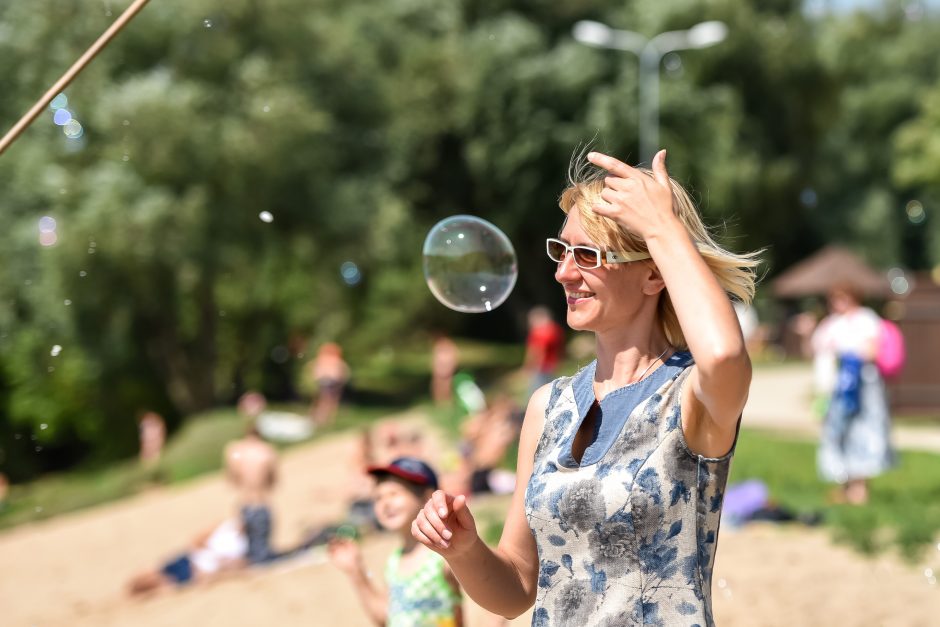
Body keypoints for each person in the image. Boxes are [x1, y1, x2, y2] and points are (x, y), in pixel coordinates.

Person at [410, 148, 760, 625]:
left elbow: (722, 353)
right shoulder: (546, 406)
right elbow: (516, 589)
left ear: (655, 271)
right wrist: (465, 549)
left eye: (589, 255)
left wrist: (661, 227)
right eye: (562, 250)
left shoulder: (689, 395)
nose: (564, 272)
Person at [329, 457, 464, 627]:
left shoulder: (443, 556)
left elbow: (490, 580)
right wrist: (355, 571)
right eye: (378, 498)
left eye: (394, 494)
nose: (385, 503)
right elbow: (386, 617)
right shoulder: (394, 563)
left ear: (427, 496)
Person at [811, 285, 894, 505]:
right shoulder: (831, 323)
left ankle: (859, 488)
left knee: (862, 433)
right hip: (835, 390)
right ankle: (844, 486)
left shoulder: (866, 319)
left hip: (861, 388)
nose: (838, 303)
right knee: (837, 433)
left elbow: (873, 351)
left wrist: (846, 353)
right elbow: (816, 350)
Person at [127, 517, 248, 596]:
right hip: (204, 562)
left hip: (201, 557)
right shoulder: (170, 580)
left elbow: (191, 547)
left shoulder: (165, 567)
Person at [224, 421, 279, 564]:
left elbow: (231, 476)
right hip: (260, 503)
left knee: (247, 552)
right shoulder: (266, 451)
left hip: (244, 503)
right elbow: (273, 480)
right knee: (263, 555)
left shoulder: (235, 450)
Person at [522, 306, 565, 395]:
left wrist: (529, 367)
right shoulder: (556, 329)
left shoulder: (539, 332)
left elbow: (537, 351)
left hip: (541, 368)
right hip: (553, 366)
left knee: (536, 394)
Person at [308, 342, 350, 426]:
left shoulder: (326, 360)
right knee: (327, 401)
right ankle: (322, 419)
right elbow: (344, 372)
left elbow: (314, 369)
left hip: (328, 382)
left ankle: (321, 419)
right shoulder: (333, 361)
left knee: (325, 400)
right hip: (330, 382)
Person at [431, 334, 460, 406]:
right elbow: (435, 359)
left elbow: (455, 357)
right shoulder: (438, 346)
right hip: (439, 370)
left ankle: (448, 402)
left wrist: (450, 367)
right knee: (437, 386)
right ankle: (439, 403)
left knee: (447, 386)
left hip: (447, 369)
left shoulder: (449, 345)